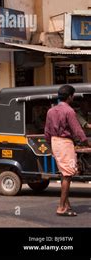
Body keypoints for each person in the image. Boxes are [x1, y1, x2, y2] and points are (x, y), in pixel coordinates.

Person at [44, 85, 88, 217]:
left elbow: (46, 131)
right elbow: (77, 130)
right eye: (73, 96)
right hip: (64, 142)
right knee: (67, 176)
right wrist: (86, 142)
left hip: (54, 142)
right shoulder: (69, 111)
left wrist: (51, 146)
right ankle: (61, 207)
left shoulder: (51, 111)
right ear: (69, 97)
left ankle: (67, 205)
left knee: (64, 174)